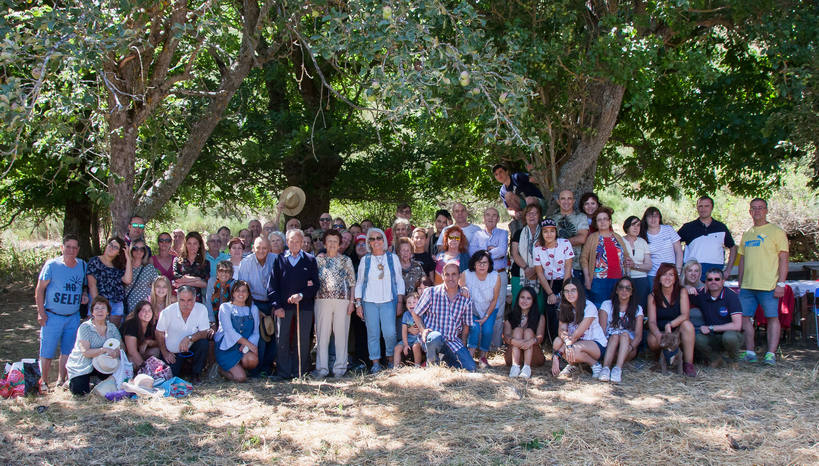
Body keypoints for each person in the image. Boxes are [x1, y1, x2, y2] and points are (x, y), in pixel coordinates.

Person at [737, 198, 789, 365]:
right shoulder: (747, 234)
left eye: (761, 208)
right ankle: (750, 352)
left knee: (772, 318)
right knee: (745, 318)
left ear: (766, 210)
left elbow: (784, 259)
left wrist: (781, 283)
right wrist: (740, 281)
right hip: (748, 285)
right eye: (754, 208)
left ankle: (770, 354)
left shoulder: (777, 232)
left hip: (769, 285)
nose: (757, 211)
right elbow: (742, 260)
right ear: (749, 211)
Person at [35, 234, 88, 391]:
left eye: (74, 247)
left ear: (78, 250)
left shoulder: (82, 266)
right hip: (52, 315)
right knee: (47, 350)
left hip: (72, 316)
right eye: (68, 247)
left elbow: (84, 286)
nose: (71, 250)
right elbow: (40, 290)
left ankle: (61, 380)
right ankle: (43, 381)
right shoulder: (52, 265)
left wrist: (84, 295)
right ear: (62, 247)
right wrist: (40, 312)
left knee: (68, 350)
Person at [269, 229, 320, 379]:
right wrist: (277, 306)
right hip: (284, 307)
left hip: (304, 306)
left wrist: (302, 295)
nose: (295, 243)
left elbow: (315, 285)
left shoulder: (310, 260)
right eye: (291, 240)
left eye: (298, 241)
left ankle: (301, 372)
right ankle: (283, 373)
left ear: (302, 242)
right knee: (282, 340)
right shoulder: (279, 259)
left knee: (303, 339)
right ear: (287, 242)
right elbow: (272, 286)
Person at [354, 227, 405, 373]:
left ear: (384, 240)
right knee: (373, 333)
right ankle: (375, 362)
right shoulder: (365, 260)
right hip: (369, 302)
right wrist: (358, 304)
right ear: (368, 242)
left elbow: (399, 281)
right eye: (372, 239)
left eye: (379, 238)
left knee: (390, 333)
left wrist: (400, 302)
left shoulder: (392, 258)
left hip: (388, 301)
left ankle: (390, 359)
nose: (376, 241)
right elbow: (359, 283)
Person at [409, 261, 475, 372]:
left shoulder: (465, 298)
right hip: (433, 338)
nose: (451, 278)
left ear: (459, 276)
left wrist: (464, 347)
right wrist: (422, 330)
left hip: (452, 341)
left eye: (454, 274)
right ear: (442, 276)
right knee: (435, 338)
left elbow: (466, 326)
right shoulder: (431, 292)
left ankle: (445, 360)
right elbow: (416, 313)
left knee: (470, 368)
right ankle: (433, 368)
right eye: (447, 274)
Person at [314, 229, 356, 378]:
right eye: (329, 241)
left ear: (339, 244)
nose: (332, 244)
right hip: (322, 301)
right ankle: (322, 369)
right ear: (325, 243)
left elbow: (352, 283)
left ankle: (339, 369)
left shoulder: (346, 260)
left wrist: (352, 302)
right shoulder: (318, 260)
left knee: (341, 336)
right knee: (322, 336)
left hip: (343, 302)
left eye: (335, 241)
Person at [550, 279, 608, 378]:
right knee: (557, 342)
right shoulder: (564, 307)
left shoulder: (589, 307)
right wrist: (564, 344)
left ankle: (595, 364)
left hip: (595, 345)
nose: (570, 294)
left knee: (572, 349)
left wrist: (557, 355)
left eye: (573, 290)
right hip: (573, 342)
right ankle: (574, 364)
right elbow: (561, 331)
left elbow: (577, 334)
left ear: (579, 291)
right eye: (567, 291)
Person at [646, 263, 696, 377]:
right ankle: (663, 358)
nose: (667, 278)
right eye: (664, 274)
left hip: (677, 329)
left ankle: (688, 364)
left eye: (671, 275)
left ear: (675, 279)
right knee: (653, 340)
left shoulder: (681, 291)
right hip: (661, 330)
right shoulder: (652, 296)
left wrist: (670, 324)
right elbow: (652, 322)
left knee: (688, 325)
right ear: (659, 278)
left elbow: (685, 315)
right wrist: (659, 335)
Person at [66, 296, 122, 396]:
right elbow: (85, 352)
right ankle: (71, 381)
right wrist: (103, 350)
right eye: (96, 308)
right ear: (92, 312)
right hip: (83, 364)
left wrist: (116, 352)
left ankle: (95, 380)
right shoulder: (85, 327)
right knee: (80, 393)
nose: (100, 311)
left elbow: (120, 346)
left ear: (108, 312)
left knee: (110, 388)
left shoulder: (112, 328)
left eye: (103, 308)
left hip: (103, 365)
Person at [469, 207, 509, 347]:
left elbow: (503, 250)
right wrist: (491, 251)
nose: (491, 218)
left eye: (494, 215)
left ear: (498, 218)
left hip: (499, 273)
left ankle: (496, 345)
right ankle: (481, 345)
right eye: (488, 215)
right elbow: (473, 255)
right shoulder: (477, 235)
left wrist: (483, 254)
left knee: (498, 310)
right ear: (483, 218)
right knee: (481, 309)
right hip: (481, 276)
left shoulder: (503, 233)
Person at [237, 236, 276, 376]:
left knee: (273, 335)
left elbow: (278, 284)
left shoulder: (275, 260)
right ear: (253, 248)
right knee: (259, 336)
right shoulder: (246, 263)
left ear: (269, 249)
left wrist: (275, 305)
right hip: (253, 303)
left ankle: (268, 367)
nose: (261, 250)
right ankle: (256, 370)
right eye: (258, 247)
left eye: (264, 248)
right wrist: (254, 309)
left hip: (272, 302)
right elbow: (243, 289)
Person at [155, 286, 211, 383]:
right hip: (173, 352)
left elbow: (205, 332)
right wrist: (165, 352)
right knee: (171, 377)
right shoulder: (167, 312)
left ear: (195, 299)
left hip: (192, 346)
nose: (186, 304)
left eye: (189, 300)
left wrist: (189, 338)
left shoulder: (201, 309)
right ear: (177, 299)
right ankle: (184, 369)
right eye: (182, 300)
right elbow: (159, 332)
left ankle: (196, 374)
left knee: (204, 343)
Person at [677, 196, 737, 281]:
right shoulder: (688, 227)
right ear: (697, 208)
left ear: (712, 207)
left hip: (715, 273)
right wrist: (678, 268)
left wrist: (728, 270)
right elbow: (674, 244)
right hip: (693, 273)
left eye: (706, 206)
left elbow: (733, 247)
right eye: (700, 206)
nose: (703, 209)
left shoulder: (721, 227)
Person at [581, 207, 632, 308]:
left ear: (610, 221)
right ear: (596, 223)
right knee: (599, 308)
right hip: (599, 281)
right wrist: (587, 278)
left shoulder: (617, 237)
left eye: (605, 219)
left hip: (618, 281)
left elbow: (626, 256)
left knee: (616, 308)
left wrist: (627, 274)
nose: (602, 222)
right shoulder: (592, 238)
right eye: (599, 219)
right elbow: (584, 258)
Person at [533, 218, 574, 343]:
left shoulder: (565, 243)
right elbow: (539, 272)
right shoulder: (537, 248)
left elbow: (568, 267)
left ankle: (569, 341)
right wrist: (550, 293)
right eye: (545, 231)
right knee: (551, 312)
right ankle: (553, 343)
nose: (549, 234)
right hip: (548, 283)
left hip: (566, 281)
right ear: (542, 233)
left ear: (556, 232)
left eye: (552, 231)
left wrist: (564, 291)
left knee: (567, 310)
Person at [597, 278, 644, 383]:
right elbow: (602, 332)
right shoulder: (606, 305)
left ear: (632, 292)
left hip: (628, 349)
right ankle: (606, 368)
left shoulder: (637, 309)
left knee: (624, 335)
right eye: (621, 287)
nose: (624, 291)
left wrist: (630, 348)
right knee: (614, 336)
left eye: (628, 288)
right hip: (610, 345)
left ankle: (617, 369)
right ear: (616, 290)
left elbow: (638, 336)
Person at [693, 269, 743, 366]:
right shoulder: (702, 294)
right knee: (696, 338)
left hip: (731, 335)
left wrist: (711, 328)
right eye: (710, 279)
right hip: (712, 336)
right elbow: (682, 294)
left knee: (729, 337)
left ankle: (735, 362)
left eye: (717, 279)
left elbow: (737, 326)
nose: (713, 282)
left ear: (723, 281)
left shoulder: (731, 296)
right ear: (706, 282)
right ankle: (716, 359)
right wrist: (687, 288)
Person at [214, 280, 260, 382]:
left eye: (244, 291)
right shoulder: (225, 307)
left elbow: (256, 332)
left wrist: (248, 345)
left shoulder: (253, 309)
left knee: (252, 360)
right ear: (233, 293)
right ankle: (221, 370)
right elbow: (229, 331)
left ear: (248, 294)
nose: (241, 294)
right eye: (237, 291)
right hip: (227, 347)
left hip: (243, 347)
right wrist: (249, 344)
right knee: (240, 378)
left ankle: (239, 367)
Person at [461, 250, 501, 368]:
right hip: (472, 310)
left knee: (487, 330)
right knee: (475, 328)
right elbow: (460, 290)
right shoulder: (466, 274)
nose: (482, 265)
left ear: (489, 264)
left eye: (485, 263)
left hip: (490, 309)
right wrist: (463, 289)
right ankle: (470, 356)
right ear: (474, 264)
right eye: (479, 263)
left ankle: (483, 357)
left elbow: (494, 299)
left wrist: (486, 317)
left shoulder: (495, 276)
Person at [87, 236, 133, 326]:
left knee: (112, 333)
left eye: (115, 247)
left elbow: (127, 280)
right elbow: (92, 285)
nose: (111, 248)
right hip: (98, 301)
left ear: (119, 252)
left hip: (116, 304)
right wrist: (98, 305)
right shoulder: (95, 261)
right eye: (110, 245)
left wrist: (128, 258)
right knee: (95, 331)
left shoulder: (119, 266)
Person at [503, 286, 546, 378]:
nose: (524, 301)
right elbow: (506, 336)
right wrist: (515, 342)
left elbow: (540, 337)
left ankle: (527, 368)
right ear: (518, 299)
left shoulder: (540, 317)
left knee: (528, 331)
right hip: (513, 356)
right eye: (522, 297)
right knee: (518, 330)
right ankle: (515, 367)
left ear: (533, 301)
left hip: (533, 356)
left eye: (528, 298)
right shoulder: (510, 316)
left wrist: (531, 341)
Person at [510, 204, 542, 307]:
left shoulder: (546, 233)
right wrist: (527, 268)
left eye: (535, 213)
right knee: (518, 306)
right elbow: (515, 253)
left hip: (541, 275)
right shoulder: (518, 233)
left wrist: (536, 270)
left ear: (539, 216)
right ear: (525, 216)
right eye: (528, 213)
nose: (531, 216)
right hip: (519, 274)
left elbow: (549, 254)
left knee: (539, 307)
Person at [641, 207, 683, 283]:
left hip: (671, 273)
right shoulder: (642, 235)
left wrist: (678, 271)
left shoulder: (668, 229)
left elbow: (679, 251)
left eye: (656, 216)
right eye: (650, 216)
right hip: (653, 275)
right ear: (645, 219)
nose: (653, 219)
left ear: (659, 218)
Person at [621, 216, 652, 310]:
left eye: (638, 225)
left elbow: (649, 265)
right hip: (625, 278)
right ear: (627, 227)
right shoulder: (620, 241)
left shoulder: (643, 242)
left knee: (640, 308)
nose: (636, 228)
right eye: (633, 225)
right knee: (625, 307)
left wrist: (634, 265)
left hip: (641, 279)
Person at [121, 300, 160, 370]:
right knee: (132, 360)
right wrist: (145, 368)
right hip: (125, 355)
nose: (147, 313)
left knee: (156, 351)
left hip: (140, 352)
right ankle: (138, 375)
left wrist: (148, 342)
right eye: (143, 310)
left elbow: (160, 342)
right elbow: (132, 351)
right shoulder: (131, 324)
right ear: (137, 313)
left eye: (149, 310)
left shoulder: (152, 324)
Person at [172, 232, 209, 303]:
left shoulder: (204, 262)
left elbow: (205, 284)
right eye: (189, 243)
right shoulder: (178, 260)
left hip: (197, 299)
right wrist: (197, 279)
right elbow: (177, 279)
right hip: (180, 298)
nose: (192, 246)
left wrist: (184, 283)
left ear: (199, 245)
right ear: (185, 245)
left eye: (195, 243)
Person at [124, 238, 158, 314]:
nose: (139, 251)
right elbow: (126, 281)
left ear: (145, 252)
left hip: (146, 307)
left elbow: (157, 284)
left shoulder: (149, 267)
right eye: (135, 249)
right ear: (131, 250)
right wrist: (128, 260)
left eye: (142, 249)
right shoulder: (125, 268)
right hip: (130, 306)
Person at [393, 292, 424, 367]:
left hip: (418, 337)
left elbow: (423, 327)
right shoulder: (406, 315)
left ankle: (417, 365)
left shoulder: (422, 313)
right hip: (409, 338)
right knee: (397, 348)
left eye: (414, 302)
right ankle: (396, 367)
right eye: (409, 303)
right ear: (406, 305)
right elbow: (404, 331)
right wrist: (406, 344)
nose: (411, 304)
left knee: (415, 347)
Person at [681, 259, 705, 327]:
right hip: (683, 326)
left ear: (699, 273)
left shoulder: (704, 289)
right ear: (685, 272)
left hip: (701, 326)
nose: (693, 274)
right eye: (690, 270)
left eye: (696, 271)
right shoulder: (678, 287)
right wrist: (685, 288)